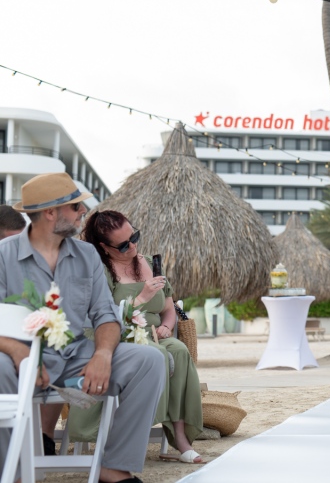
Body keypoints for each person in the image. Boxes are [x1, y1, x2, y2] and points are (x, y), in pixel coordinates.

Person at [0, 172, 164, 483]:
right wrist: (19, 352)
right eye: (76, 207)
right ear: (51, 213)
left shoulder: (87, 255)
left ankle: (115, 466)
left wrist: (102, 354)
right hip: (16, 363)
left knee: (149, 360)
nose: (82, 212)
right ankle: (12, 470)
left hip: (76, 359)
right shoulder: (3, 256)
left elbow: (104, 314)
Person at [76, 210, 205, 463]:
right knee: (155, 354)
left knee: (178, 350)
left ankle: (180, 438)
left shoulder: (148, 262)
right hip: (119, 336)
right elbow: (102, 314)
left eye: (134, 236)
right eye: (124, 244)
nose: (132, 245)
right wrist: (141, 298)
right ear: (104, 246)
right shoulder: (101, 269)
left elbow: (169, 308)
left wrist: (167, 326)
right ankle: (132, 432)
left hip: (155, 333)